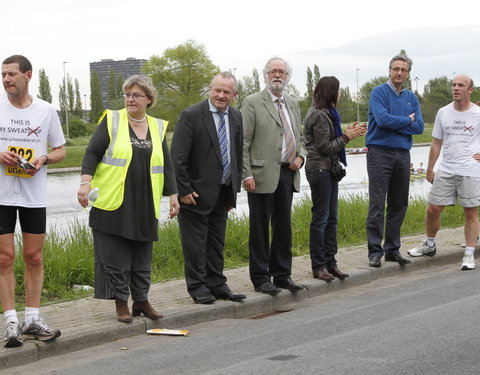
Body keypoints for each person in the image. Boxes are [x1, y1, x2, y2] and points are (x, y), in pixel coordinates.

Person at [78, 75, 179, 323]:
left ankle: (142, 301)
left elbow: (166, 165)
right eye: (127, 95)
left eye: (136, 95)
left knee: (142, 255)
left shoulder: (157, 126)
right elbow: (92, 153)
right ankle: (121, 303)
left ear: (148, 99)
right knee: (115, 256)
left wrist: (174, 194)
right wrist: (84, 183)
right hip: (113, 201)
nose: (130, 99)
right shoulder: (112, 120)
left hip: (145, 202)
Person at [0, 55, 65, 347]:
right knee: (3, 258)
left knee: (34, 257)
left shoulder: (46, 110)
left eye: (11, 74)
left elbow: (60, 150)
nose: (6, 80)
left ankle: (33, 318)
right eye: (3, 75)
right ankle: (11, 322)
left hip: (33, 193)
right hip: (1, 193)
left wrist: (45, 158)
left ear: (28, 75)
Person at [171, 72, 245, 304]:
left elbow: (236, 154)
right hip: (195, 193)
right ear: (210, 89)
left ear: (234, 94)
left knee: (216, 243)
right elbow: (177, 157)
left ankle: (217, 284)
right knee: (195, 245)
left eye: (226, 92)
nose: (221, 95)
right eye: (217, 90)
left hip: (223, 192)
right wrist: (182, 190)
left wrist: (233, 191)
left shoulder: (236, 117)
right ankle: (198, 287)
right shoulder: (191, 115)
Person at [242, 57, 306, 295]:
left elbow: (298, 136)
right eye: (273, 71)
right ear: (265, 75)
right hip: (259, 175)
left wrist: (301, 157)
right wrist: (245, 174)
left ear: (288, 77)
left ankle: (282, 275)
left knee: (283, 227)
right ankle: (260, 278)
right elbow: (244, 142)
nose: (277, 75)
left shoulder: (292, 102)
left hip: (287, 172)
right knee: (259, 229)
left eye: (282, 72)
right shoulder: (252, 102)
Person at [407, 75, 480, 270]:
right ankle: (429, 244)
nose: (456, 88)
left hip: (470, 170)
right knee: (432, 209)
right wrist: (430, 168)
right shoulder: (443, 112)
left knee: (471, 212)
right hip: (447, 169)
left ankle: (469, 253)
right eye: (454, 85)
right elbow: (436, 142)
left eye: (461, 85)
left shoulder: (478, 114)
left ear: (470, 90)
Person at [304, 76, 367, 281]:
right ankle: (319, 265)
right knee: (321, 219)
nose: (339, 95)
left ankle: (331, 263)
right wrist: (347, 137)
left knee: (332, 219)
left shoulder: (327, 114)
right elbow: (324, 148)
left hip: (328, 170)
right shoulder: (319, 115)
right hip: (320, 170)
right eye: (338, 91)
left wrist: (346, 134)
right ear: (332, 92)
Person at [365, 53, 424, 268]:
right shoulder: (378, 92)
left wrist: (398, 122)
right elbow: (381, 120)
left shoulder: (411, 98)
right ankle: (374, 252)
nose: (399, 73)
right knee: (377, 203)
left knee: (399, 203)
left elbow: (418, 127)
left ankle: (392, 249)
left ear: (408, 74)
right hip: (379, 153)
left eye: (404, 70)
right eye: (396, 69)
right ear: (389, 70)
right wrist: (407, 119)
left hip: (402, 154)